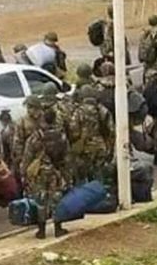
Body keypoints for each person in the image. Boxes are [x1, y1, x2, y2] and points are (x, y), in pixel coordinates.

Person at [22, 108, 71, 240]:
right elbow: (66, 157)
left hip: (40, 172)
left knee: (41, 200)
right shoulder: (61, 135)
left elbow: (27, 157)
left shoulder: (36, 136)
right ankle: (58, 228)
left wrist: (23, 174)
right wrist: (67, 174)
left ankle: (41, 231)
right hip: (56, 171)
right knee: (56, 198)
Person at [69, 85, 114, 185]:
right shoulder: (103, 110)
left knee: (85, 177)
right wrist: (109, 148)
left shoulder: (78, 112)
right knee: (100, 174)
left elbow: (74, 132)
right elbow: (111, 131)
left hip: (85, 149)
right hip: (101, 146)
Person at [13, 94, 44, 185]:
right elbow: (18, 142)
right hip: (29, 157)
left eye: (32, 107)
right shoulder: (22, 122)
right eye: (28, 107)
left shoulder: (44, 118)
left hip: (44, 157)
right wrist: (21, 159)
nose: (29, 110)